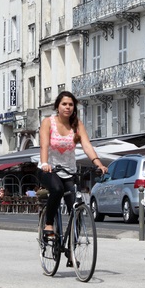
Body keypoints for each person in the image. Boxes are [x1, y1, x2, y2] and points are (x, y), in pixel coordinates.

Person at [39, 90, 107, 236]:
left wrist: (98, 164)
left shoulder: (77, 125)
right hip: (49, 169)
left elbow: (87, 146)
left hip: (69, 171)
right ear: (58, 106)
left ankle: (72, 250)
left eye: (71, 105)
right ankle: (49, 224)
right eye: (64, 104)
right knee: (57, 190)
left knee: (74, 208)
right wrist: (45, 163)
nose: (68, 107)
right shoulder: (48, 122)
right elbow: (44, 145)